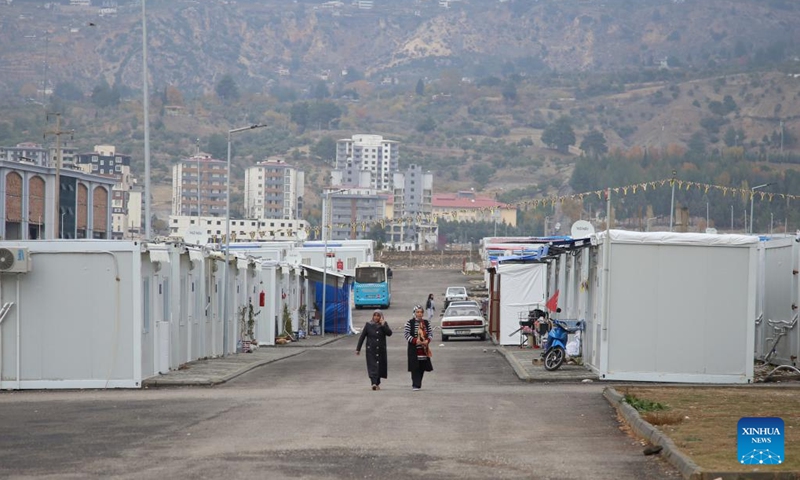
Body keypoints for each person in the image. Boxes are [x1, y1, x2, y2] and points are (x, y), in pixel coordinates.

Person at [356, 310, 393, 390]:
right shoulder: (368, 325)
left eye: (378, 316)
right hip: (371, 350)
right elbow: (362, 337)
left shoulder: (384, 324)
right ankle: (373, 383)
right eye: (375, 315)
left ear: (381, 317)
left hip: (380, 350)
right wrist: (358, 349)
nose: (376, 317)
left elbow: (389, 333)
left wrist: (383, 325)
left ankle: (377, 383)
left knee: (379, 366)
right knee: (372, 366)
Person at [404, 305, 433, 391]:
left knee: (422, 367)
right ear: (415, 313)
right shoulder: (410, 323)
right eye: (418, 312)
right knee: (414, 367)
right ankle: (415, 384)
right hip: (414, 349)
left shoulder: (426, 323)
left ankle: (418, 383)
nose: (419, 314)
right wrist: (415, 340)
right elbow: (406, 334)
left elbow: (430, 334)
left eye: (421, 312)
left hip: (423, 350)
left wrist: (427, 341)